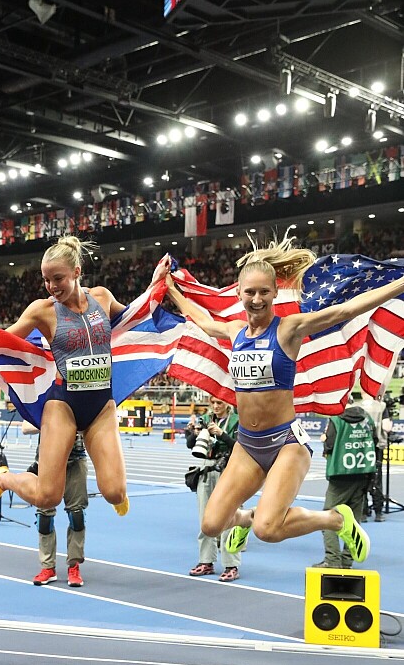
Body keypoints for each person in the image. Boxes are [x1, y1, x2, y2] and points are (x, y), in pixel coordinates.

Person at [165, 234, 404, 565]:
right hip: (247, 445)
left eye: (264, 291)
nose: (257, 299)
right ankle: (246, 519)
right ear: (239, 293)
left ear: (276, 292)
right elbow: (203, 322)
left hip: (285, 444)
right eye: (250, 292)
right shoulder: (235, 331)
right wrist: (171, 289)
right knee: (211, 524)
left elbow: (346, 309)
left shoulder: (289, 329)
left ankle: (336, 519)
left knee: (269, 530)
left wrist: (401, 284)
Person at [0, 236, 171, 520]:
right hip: (63, 405)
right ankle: (3, 478)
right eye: (46, 280)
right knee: (47, 497)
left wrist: (156, 284)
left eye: (58, 278)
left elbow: (134, 321)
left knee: (115, 492)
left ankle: (113, 490)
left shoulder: (102, 297)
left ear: (76, 272)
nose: (52, 286)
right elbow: (0, 340)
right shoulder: (42, 311)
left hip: (100, 406)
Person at [313, 395, 377, 568]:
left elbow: (329, 445)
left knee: (327, 516)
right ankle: (347, 560)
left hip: (340, 474)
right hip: (363, 472)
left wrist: (324, 440)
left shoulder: (336, 420)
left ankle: (332, 560)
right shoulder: (366, 418)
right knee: (354, 520)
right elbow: (375, 441)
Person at [22, 421, 88, 587]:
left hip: (76, 459)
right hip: (47, 460)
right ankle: (48, 567)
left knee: (77, 514)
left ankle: (74, 566)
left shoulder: (82, 403)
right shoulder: (42, 404)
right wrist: (52, 422)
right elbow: (26, 427)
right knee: (44, 516)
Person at [185, 397, 241, 581]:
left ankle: (231, 565)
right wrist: (194, 433)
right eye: (213, 403)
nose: (216, 406)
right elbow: (190, 445)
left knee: (229, 519)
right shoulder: (206, 419)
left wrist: (222, 434)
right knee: (205, 518)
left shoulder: (237, 420)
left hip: (227, 471)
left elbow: (241, 447)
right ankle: (206, 561)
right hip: (206, 470)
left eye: (219, 403)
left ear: (227, 403)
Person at [355, 390, 386, 522]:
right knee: (376, 479)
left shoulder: (356, 407)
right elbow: (387, 426)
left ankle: (363, 511)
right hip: (376, 447)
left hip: (360, 446)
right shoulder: (382, 406)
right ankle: (378, 512)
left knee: (361, 478)